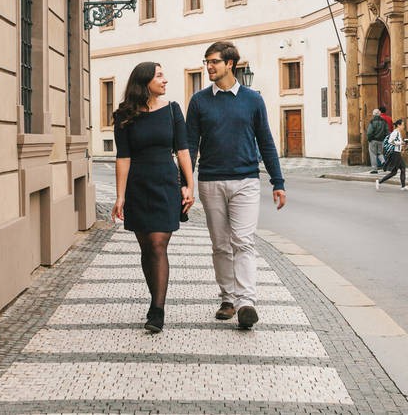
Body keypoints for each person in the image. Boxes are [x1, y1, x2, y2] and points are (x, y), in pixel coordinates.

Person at [186, 41, 286, 330]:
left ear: (230, 64)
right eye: (207, 62)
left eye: (214, 61)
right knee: (220, 245)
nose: (209, 67)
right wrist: (187, 184)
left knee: (243, 241)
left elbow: (265, 141)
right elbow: (190, 145)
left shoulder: (253, 99)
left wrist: (277, 182)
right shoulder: (199, 101)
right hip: (211, 180)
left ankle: (246, 302)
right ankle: (227, 299)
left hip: (246, 180)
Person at [111, 62, 195, 333]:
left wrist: (189, 185)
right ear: (144, 81)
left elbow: (183, 150)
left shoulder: (172, 110)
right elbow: (123, 157)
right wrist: (120, 196)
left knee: (158, 243)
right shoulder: (123, 115)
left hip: (165, 183)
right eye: (159, 75)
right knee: (147, 247)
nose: (165, 80)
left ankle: (157, 310)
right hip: (138, 184)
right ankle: (154, 299)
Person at [376, 118, 408, 191]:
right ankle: (379, 182)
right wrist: (401, 143)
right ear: (398, 125)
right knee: (396, 171)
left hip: (397, 153)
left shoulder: (398, 133)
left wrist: (403, 143)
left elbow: (397, 142)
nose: (403, 126)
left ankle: (403, 186)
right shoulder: (395, 132)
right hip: (395, 154)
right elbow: (391, 141)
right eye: (402, 125)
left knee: (401, 169)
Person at [365, 109, 389, 173]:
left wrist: (369, 139)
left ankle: (374, 169)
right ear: (380, 113)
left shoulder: (372, 122)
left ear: (373, 114)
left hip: (373, 140)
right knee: (380, 153)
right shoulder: (384, 121)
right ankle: (383, 162)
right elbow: (387, 131)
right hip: (381, 140)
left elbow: (369, 132)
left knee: (373, 154)